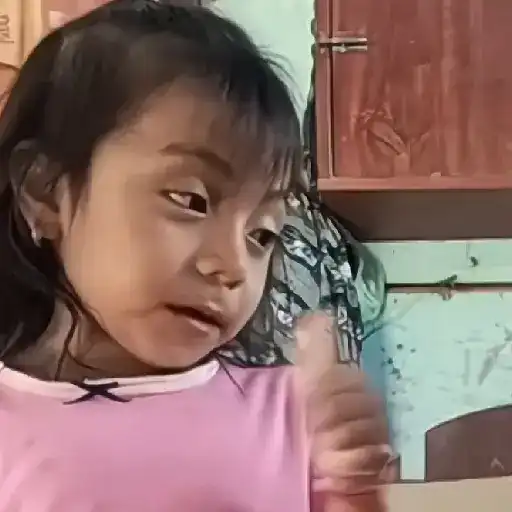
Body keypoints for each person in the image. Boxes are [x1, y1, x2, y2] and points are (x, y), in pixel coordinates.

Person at [0, 1, 389, 510]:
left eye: (262, 235)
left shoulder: (296, 415)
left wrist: (355, 488)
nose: (232, 268)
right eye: (191, 200)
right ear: (46, 190)